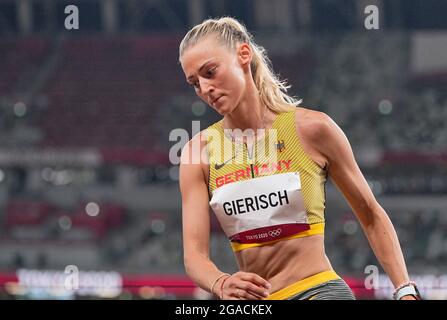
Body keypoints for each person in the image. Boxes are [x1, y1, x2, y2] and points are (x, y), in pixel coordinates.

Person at [178, 17, 421, 300]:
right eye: (195, 82)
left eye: (210, 72)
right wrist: (221, 283)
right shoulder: (199, 152)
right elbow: (194, 256)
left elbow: (370, 214)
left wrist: (404, 289)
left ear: (243, 55)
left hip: (319, 291)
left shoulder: (313, 129)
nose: (205, 89)